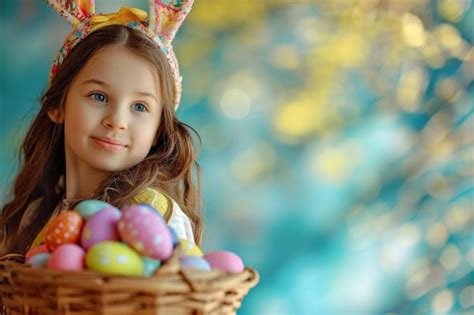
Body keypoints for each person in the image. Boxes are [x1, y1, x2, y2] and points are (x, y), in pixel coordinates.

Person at [0, 0, 202, 257]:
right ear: (57, 105)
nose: (116, 120)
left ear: (158, 131)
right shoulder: (33, 219)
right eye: (98, 96)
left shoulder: (155, 217)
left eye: (140, 107)